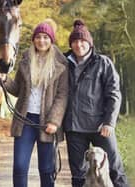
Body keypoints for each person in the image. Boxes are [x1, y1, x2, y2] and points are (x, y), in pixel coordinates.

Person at [0, 19, 68, 187]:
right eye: (38, 37)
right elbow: (17, 90)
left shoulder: (61, 64)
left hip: (47, 122)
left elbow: (62, 95)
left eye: (45, 37)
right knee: (20, 167)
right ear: (33, 40)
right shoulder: (25, 60)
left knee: (46, 169)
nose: (41, 41)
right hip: (25, 120)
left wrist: (54, 121)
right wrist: (5, 80)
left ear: (51, 40)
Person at [63, 19, 129, 187]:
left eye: (82, 41)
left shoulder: (103, 62)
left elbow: (114, 93)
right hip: (74, 128)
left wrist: (109, 121)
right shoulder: (63, 62)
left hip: (101, 127)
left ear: (89, 43)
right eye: (75, 41)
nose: (79, 45)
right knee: (78, 174)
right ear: (71, 44)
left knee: (115, 168)